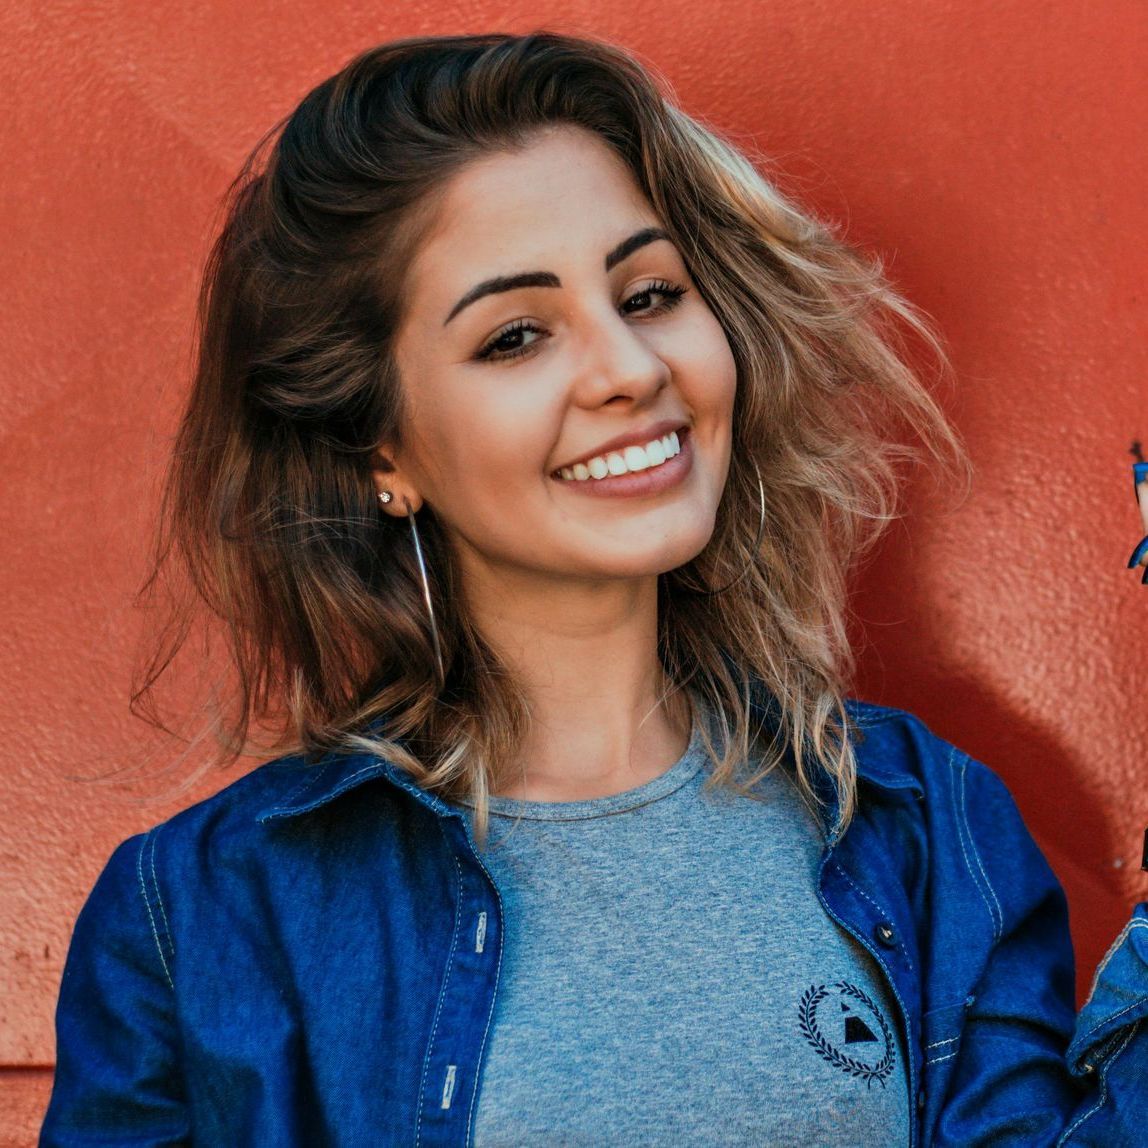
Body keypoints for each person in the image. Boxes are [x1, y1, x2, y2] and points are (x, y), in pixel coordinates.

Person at [40, 31, 1144, 1146]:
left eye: (649, 292)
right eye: (516, 336)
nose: (629, 368)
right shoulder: (204, 918)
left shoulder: (925, 826)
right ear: (383, 449)